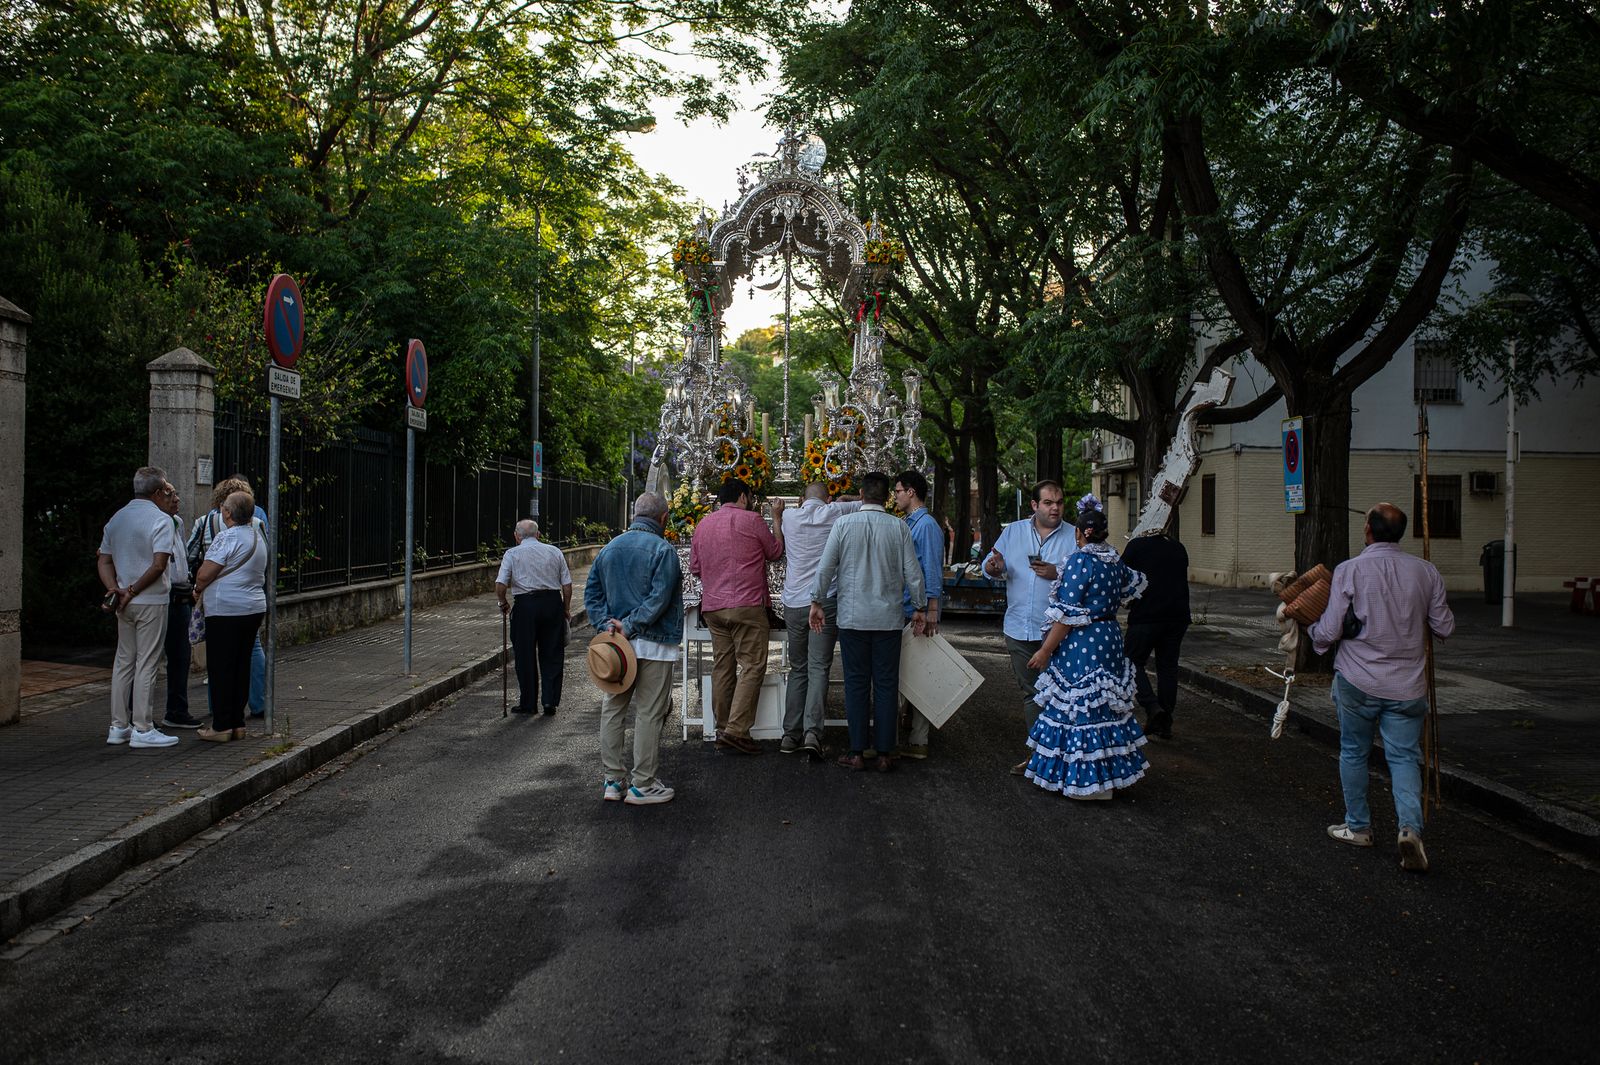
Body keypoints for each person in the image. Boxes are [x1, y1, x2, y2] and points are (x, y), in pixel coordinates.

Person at [1309, 502, 1454, 873]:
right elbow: (1445, 627)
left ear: (1368, 532)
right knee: (1405, 758)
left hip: (1357, 679)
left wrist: (1314, 638)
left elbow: (1330, 628)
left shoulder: (1350, 570)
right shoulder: (1426, 572)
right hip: (1408, 686)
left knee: (1354, 752)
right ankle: (1410, 829)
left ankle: (1358, 826)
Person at [1021, 498, 1149, 800]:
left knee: (1078, 705)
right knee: (1104, 704)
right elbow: (1133, 585)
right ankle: (1107, 781)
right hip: (1110, 636)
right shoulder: (1114, 559)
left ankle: (1085, 785)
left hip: (1083, 640)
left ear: (1080, 533)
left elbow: (1066, 615)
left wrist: (1046, 650)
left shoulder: (1080, 561)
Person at [810, 471, 927, 772]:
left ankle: (857, 751)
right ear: (886, 497)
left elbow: (826, 567)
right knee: (887, 685)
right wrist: (920, 606)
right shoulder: (899, 527)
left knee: (856, 684)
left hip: (852, 618)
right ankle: (886, 752)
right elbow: (913, 572)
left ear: (861, 495)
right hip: (888, 619)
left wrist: (816, 600)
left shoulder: (844, 524)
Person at [584, 492, 683, 806]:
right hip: (653, 643)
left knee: (613, 709)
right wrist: (632, 624)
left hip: (617, 648)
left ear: (633, 514)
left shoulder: (610, 548)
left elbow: (592, 593)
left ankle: (613, 781)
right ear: (663, 519)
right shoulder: (663, 549)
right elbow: (659, 598)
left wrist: (607, 625)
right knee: (649, 713)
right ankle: (643, 784)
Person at [980, 481, 1075, 772]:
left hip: (1059, 633)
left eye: (1058, 502)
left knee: (1064, 695)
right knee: (1032, 695)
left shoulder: (1074, 535)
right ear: (1034, 506)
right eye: (1048, 502)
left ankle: (1066, 758)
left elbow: (1089, 576)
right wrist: (992, 568)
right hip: (1019, 628)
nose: (1055, 507)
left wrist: (1057, 572)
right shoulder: (1013, 532)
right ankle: (1038, 757)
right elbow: (990, 564)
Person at [689, 477, 783, 755]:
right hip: (747, 606)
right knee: (753, 666)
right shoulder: (753, 521)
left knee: (723, 666)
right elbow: (775, 552)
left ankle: (721, 727)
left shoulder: (703, 525)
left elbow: (695, 568)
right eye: (751, 496)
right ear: (743, 497)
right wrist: (776, 519)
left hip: (714, 607)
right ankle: (737, 731)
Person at [97, 467, 183, 749]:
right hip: (150, 599)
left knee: (124, 661)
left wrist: (115, 589)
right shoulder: (161, 520)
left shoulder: (117, 518)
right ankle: (143, 728)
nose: (169, 496)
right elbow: (159, 565)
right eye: (166, 492)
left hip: (122, 601)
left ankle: (118, 725)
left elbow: (104, 559)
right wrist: (133, 589)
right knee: (147, 662)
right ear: (157, 493)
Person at [773, 483, 861, 757]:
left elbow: (779, 546)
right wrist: (847, 498)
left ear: (801, 499)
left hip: (793, 603)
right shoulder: (836, 511)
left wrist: (776, 515)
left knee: (797, 667)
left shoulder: (789, 516)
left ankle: (789, 735)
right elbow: (866, 503)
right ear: (829, 498)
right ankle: (813, 733)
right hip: (824, 602)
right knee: (819, 667)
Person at [191, 491, 268, 742]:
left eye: (224, 507)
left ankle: (221, 725)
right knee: (240, 664)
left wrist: (197, 587)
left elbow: (204, 574)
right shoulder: (258, 537)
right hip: (253, 608)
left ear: (227, 512)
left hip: (226, 610)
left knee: (222, 666)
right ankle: (237, 721)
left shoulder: (226, 538)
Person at [495, 519, 573, 715]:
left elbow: (500, 585)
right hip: (552, 603)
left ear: (516, 536)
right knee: (552, 653)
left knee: (525, 654)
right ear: (538, 535)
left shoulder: (512, 554)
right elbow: (567, 585)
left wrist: (503, 603)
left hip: (525, 606)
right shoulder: (555, 552)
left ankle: (528, 704)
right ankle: (549, 701)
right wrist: (565, 608)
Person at [1121, 525, 1191, 740]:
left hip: (1146, 616)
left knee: (1130, 662)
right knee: (1168, 666)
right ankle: (1165, 720)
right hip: (1178, 616)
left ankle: (1153, 707)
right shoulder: (1178, 547)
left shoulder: (1136, 546)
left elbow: (1122, 576)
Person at [894, 469, 944, 760]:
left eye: (898, 490)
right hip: (910, 608)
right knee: (909, 672)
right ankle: (912, 729)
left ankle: (918, 740)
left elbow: (932, 572)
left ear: (911, 492)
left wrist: (930, 610)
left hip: (919, 611)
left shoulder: (925, 526)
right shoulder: (910, 523)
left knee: (920, 674)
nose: (896, 496)